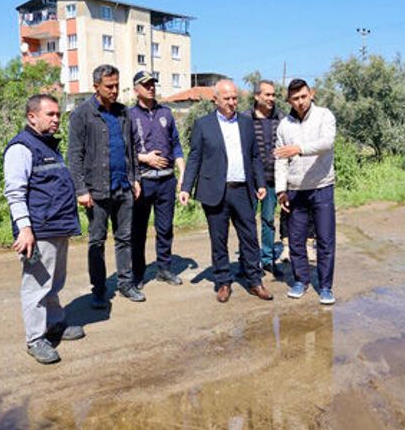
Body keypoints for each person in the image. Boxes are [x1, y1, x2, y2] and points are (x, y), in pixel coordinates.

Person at [3, 94, 84, 365]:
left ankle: (55, 322)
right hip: (38, 231)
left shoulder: (49, 145)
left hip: (58, 227)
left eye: (58, 115)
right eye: (50, 114)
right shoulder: (21, 148)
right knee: (36, 285)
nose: (56, 119)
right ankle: (36, 339)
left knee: (54, 281)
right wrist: (24, 229)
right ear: (32, 116)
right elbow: (15, 193)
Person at [179, 79, 274, 303]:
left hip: (242, 190)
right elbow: (194, 158)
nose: (232, 102)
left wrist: (260, 183)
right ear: (216, 100)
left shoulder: (246, 123)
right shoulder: (203, 124)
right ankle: (223, 282)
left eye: (234, 98)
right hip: (215, 191)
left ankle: (254, 281)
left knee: (250, 237)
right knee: (218, 239)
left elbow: (254, 157)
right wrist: (186, 187)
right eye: (227, 99)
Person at [67, 64, 145, 305]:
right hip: (97, 190)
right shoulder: (82, 114)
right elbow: (74, 155)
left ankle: (125, 284)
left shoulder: (124, 113)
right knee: (97, 241)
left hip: (123, 187)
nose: (114, 91)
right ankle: (99, 290)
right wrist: (81, 189)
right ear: (96, 87)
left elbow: (131, 148)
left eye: (116, 86)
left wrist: (135, 178)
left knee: (125, 238)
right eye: (109, 86)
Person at [275, 79, 338, 305]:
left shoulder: (324, 116)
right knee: (296, 240)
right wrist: (281, 189)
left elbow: (327, 143)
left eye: (303, 96)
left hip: (322, 186)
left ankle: (326, 286)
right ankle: (301, 280)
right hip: (295, 190)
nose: (300, 102)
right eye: (295, 98)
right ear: (289, 100)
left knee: (325, 239)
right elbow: (280, 160)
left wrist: (299, 149)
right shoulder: (284, 125)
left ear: (311, 94)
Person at [128, 71, 185, 288]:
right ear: (136, 89)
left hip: (167, 181)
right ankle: (138, 274)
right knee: (138, 230)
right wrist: (145, 158)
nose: (151, 87)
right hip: (143, 181)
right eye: (146, 84)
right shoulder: (129, 115)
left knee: (165, 228)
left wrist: (182, 173)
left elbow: (176, 144)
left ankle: (164, 269)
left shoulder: (166, 113)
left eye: (153, 84)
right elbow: (125, 150)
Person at [241, 80, 285, 277]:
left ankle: (267, 260)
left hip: (272, 180)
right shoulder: (244, 119)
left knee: (268, 221)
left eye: (273, 95)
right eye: (267, 95)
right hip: (248, 183)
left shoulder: (281, 119)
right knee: (246, 222)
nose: (271, 99)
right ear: (257, 96)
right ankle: (246, 262)